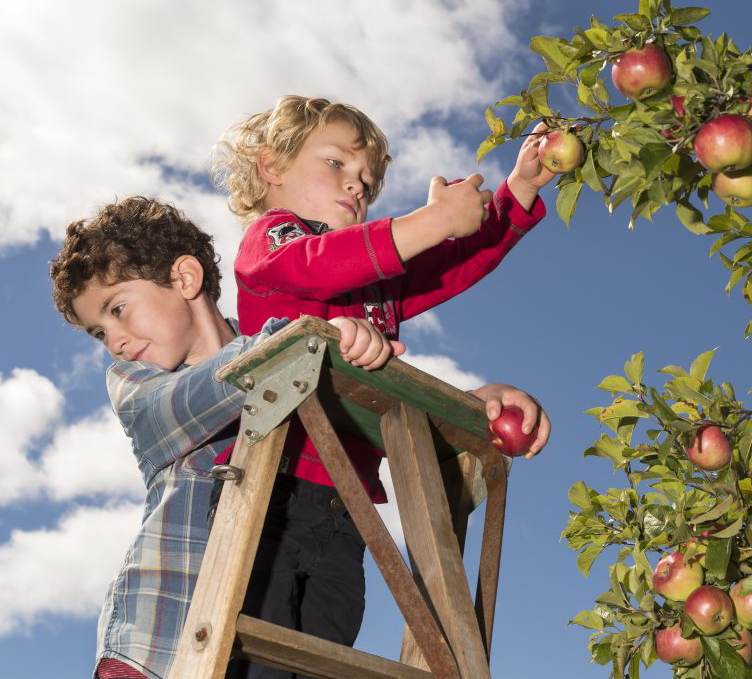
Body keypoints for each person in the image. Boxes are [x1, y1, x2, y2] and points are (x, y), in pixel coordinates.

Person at [210, 95, 553, 678]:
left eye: (368, 181)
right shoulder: (272, 241)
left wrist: (516, 192)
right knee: (251, 657)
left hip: (345, 506)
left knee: (328, 650)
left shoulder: (372, 282)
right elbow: (317, 265)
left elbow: (451, 260)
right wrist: (430, 221)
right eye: (337, 164)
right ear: (272, 167)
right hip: (270, 488)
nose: (356, 187)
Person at [49, 196, 404, 679]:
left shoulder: (278, 349)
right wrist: (311, 335)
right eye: (98, 332)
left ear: (184, 279)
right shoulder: (136, 386)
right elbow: (224, 382)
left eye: (118, 309)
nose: (114, 341)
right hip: (158, 646)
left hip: (256, 619)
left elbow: (351, 412)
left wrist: (477, 396)